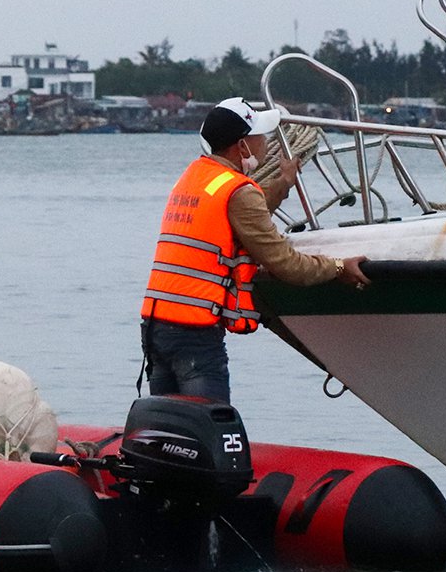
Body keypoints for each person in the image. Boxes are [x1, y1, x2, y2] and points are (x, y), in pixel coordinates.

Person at [139, 97, 370, 402]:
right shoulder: (237, 190)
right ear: (242, 146)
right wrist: (338, 268)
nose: (266, 142)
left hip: (156, 327)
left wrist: (284, 182)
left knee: (169, 428)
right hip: (194, 334)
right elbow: (285, 264)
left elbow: (242, 214)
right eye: (260, 136)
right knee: (210, 423)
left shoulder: (195, 178)